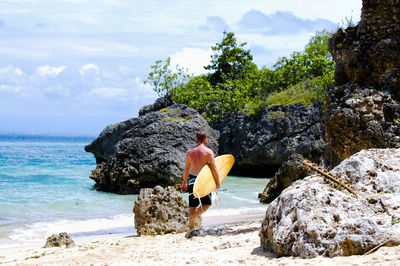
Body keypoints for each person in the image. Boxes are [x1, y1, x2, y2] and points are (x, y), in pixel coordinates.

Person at [181, 130, 220, 230]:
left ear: (197, 138)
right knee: (207, 204)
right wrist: (217, 182)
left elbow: (186, 169)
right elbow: (214, 168)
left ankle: (191, 228)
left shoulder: (190, 152)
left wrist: (184, 182)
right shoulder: (208, 152)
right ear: (205, 138)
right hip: (203, 181)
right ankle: (193, 218)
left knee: (192, 205)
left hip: (192, 179)